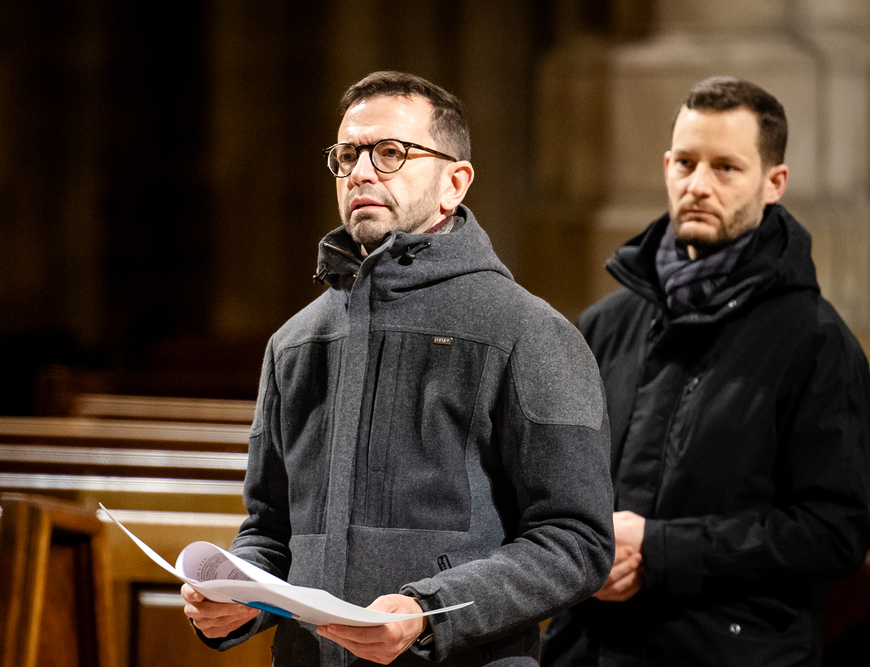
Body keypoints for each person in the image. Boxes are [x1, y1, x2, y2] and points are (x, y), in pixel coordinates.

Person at [182, 71, 615, 666]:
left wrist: (428, 613)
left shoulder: (530, 333)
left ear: (454, 183)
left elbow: (576, 541)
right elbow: (270, 528)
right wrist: (237, 595)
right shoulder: (295, 343)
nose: (361, 172)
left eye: (390, 153)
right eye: (347, 156)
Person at [541, 76, 870, 667]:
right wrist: (581, 552)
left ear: (774, 183)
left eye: (725, 168)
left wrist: (660, 550)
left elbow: (835, 531)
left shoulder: (816, 342)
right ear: (667, 166)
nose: (698, 185)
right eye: (686, 163)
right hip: (586, 650)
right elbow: (552, 484)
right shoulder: (605, 324)